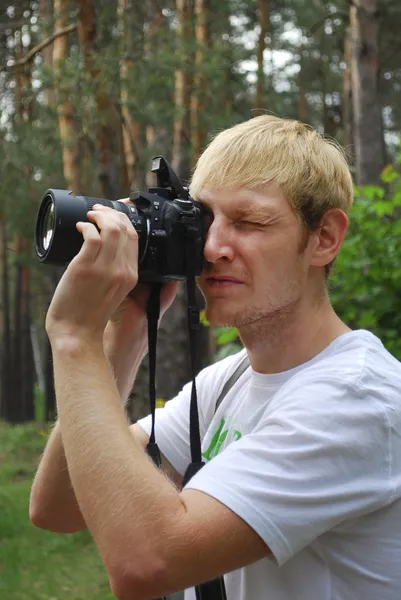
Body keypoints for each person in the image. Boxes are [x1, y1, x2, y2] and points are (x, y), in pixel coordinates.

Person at [30, 115, 401, 600]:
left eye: (249, 223)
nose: (211, 247)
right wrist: (123, 338)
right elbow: (59, 507)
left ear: (324, 238)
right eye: (202, 221)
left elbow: (146, 562)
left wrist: (75, 340)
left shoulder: (359, 399)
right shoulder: (228, 381)